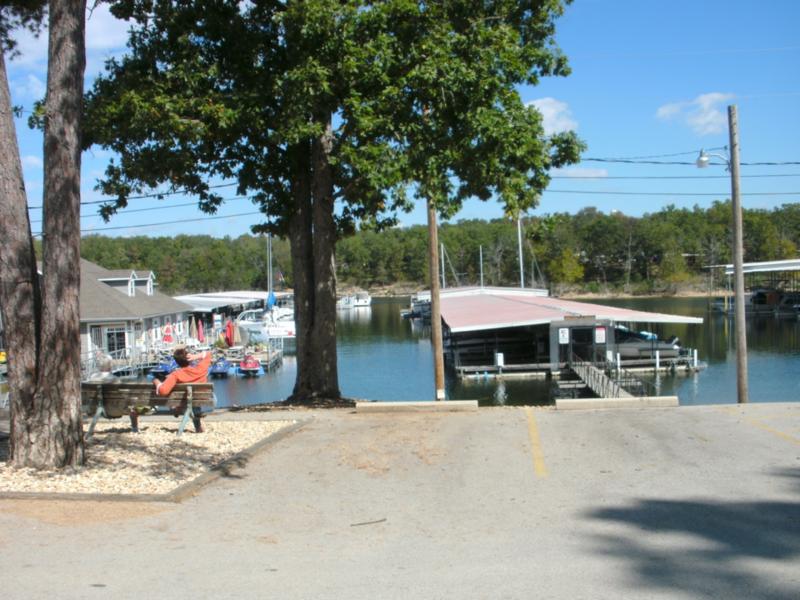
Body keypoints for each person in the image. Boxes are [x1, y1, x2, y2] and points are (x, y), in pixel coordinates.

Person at [153, 347, 212, 432]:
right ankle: (197, 427)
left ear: (177, 362)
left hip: (186, 401)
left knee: (183, 395)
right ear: (189, 359)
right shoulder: (200, 369)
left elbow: (163, 391)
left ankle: (177, 408)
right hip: (203, 401)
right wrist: (195, 356)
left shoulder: (176, 374)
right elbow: (209, 354)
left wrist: (156, 381)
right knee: (194, 401)